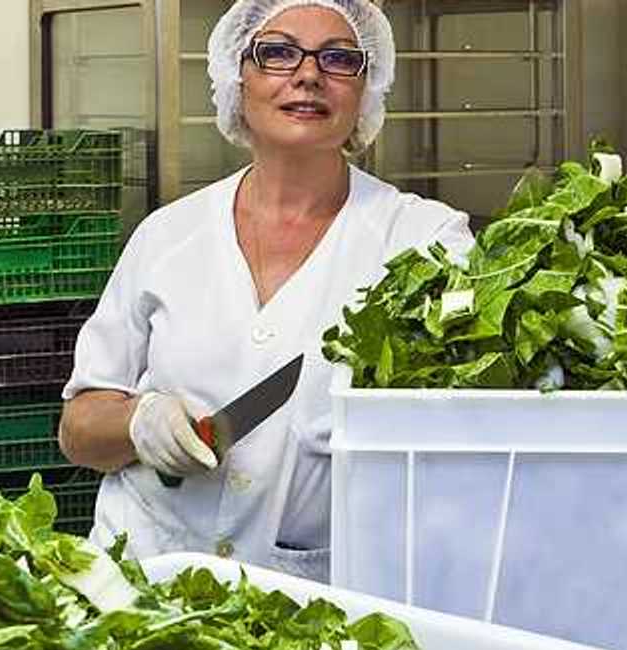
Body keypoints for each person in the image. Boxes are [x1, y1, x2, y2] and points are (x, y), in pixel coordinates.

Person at [57, 0, 474, 581]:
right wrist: (139, 422)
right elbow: (79, 429)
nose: (308, 74)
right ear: (237, 79)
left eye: (338, 58)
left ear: (365, 91)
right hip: (143, 582)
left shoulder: (424, 241)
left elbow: (467, 434)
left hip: (318, 599)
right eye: (276, 53)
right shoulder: (168, 236)